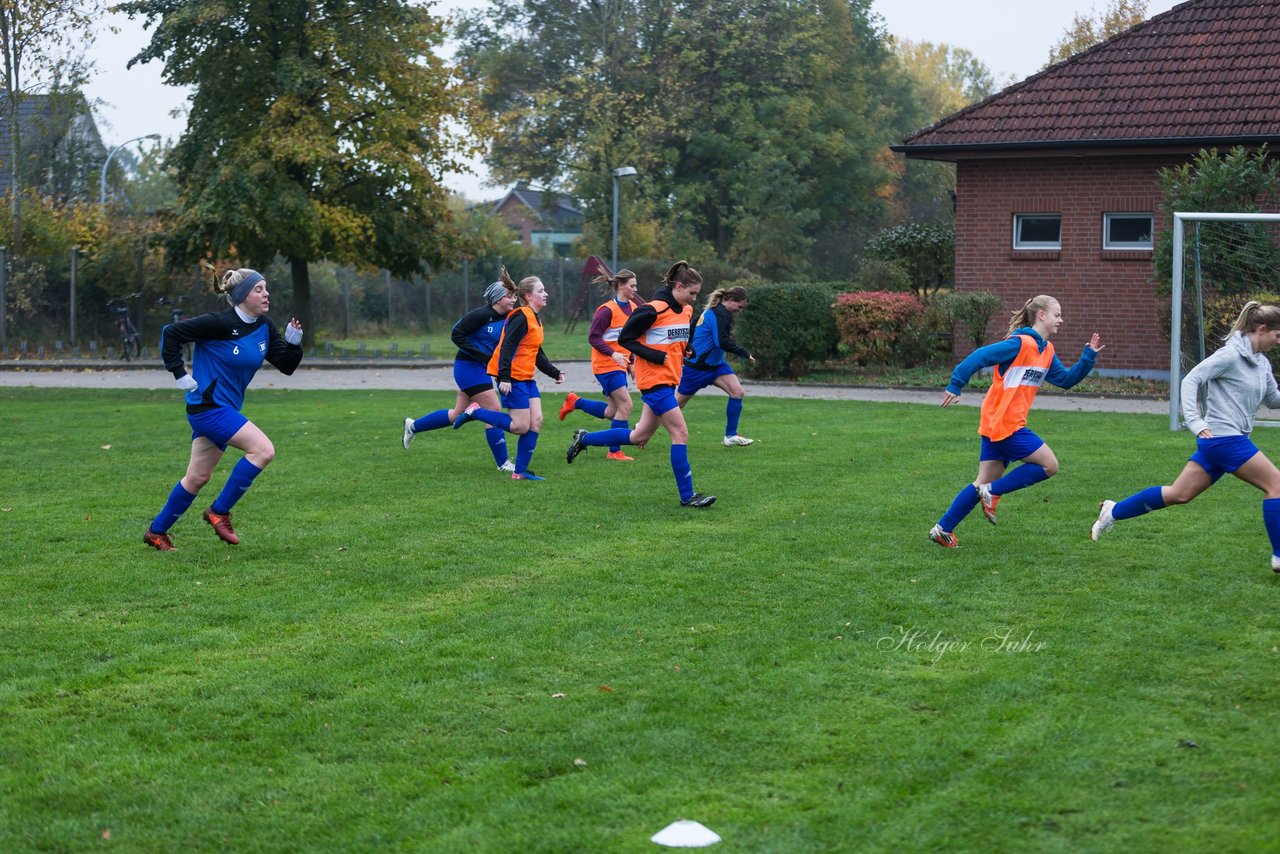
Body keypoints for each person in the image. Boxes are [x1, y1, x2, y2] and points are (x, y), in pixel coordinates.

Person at [1091, 301, 1280, 571]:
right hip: (1225, 439)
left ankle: (1113, 511)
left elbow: (1273, 399)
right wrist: (1194, 420)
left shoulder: (1261, 363)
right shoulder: (1229, 356)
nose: (1278, 341)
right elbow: (1191, 379)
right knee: (1276, 486)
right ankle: (1278, 556)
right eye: (1277, 335)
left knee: (1179, 494)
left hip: (1221, 442)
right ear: (1262, 329)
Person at [143, 268, 304, 550]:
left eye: (266, 288)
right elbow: (170, 334)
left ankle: (157, 532)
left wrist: (293, 343)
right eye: (258, 289)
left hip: (225, 409)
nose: (266, 294)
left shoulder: (264, 326)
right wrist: (180, 373)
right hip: (207, 408)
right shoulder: (218, 323)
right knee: (263, 450)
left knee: (197, 477)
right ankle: (219, 511)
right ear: (242, 296)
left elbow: (287, 366)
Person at [929, 294, 1103, 547]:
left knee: (982, 482)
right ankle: (993, 492)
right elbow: (979, 356)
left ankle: (943, 529)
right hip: (1005, 423)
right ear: (1041, 315)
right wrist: (956, 384)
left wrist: (1087, 357)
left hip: (996, 423)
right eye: (1057, 315)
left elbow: (1065, 380)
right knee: (1049, 465)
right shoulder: (1019, 344)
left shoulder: (1047, 350)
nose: (1061, 320)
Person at [566, 261, 716, 508]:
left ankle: (585, 439)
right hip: (653, 382)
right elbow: (626, 338)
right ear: (678, 287)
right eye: (691, 293)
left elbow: (676, 337)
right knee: (680, 433)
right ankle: (687, 496)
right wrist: (656, 357)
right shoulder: (651, 310)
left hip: (669, 381)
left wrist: (685, 348)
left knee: (639, 436)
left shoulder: (686, 310)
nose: (693, 299)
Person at [453, 268, 565, 480]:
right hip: (513, 378)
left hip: (527, 378)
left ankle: (520, 472)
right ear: (528, 296)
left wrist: (554, 372)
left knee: (536, 421)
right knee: (520, 426)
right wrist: (504, 377)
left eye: (545, 290)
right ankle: (475, 412)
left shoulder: (534, 318)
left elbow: (536, 352)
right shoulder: (520, 317)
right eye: (541, 290)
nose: (546, 293)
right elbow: (506, 347)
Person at [401, 282, 516, 473]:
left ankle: (413, 426)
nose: (513, 299)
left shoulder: (509, 317)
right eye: (509, 296)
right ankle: (503, 463)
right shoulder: (480, 315)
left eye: (514, 295)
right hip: (468, 367)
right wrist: (482, 356)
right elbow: (456, 334)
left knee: (456, 414)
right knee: (494, 409)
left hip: (481, 368)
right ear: (497, 299)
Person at [558, 268, 644, 461]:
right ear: (621, 286)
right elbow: (593, 338)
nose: (635, 289)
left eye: (635, 285)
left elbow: (628, 338)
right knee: (626, 406)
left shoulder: (633, 308)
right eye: (632, 286)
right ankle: (614, 451)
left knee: (612, 412)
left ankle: (575, 402)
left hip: (619, 364)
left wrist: (630, 362)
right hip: (605, 365)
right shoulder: (606, 310)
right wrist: (613, 354)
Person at [676, 285, 756, 446]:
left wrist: (688, 346)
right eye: (739, 307)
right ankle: (642, 428)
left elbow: (692, 329)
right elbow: (721, 341)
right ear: (731, 300)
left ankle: (730, 436)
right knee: (676, 405)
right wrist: (744, 353)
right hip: (697, 368)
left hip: (716, 365)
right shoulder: (719, 313)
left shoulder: (718, 312)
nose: (740, 311)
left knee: (737, 392)